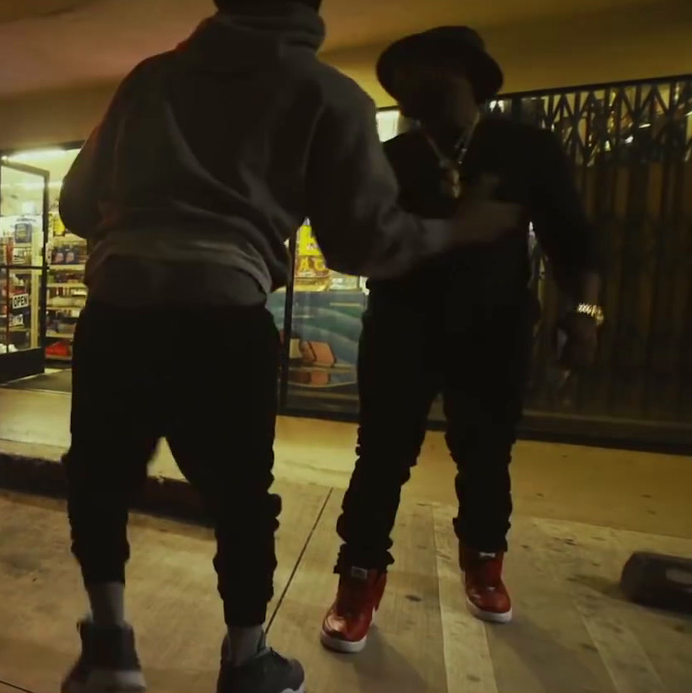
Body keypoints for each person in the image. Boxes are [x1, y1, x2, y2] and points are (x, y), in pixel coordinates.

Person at [52, 0, 524, 690]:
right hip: (223, 314)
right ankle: (246, 661)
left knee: (100, 480)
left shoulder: (148, 80)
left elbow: (74, 202)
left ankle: (110, 653)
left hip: (118, 309)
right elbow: (360, 242)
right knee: (241, 500)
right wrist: (458, 229)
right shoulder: (330, 96)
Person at [319, 26, 603, 654]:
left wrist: (584, 314)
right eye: (408, 83)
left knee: (486, 454)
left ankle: (484, 561)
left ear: (472, 77)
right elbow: (358, 246)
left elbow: (573, 241)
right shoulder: (390, 160)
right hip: (400, 328)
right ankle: (359, 578)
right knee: (382, 456)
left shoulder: (525, 148)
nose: (419, 90)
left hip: (495, 328)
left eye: (435, 76)